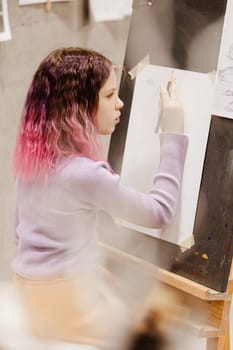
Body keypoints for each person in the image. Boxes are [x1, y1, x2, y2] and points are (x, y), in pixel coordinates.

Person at [11, 47, 188, 349]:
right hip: (64, 304)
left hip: (27, 292)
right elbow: (159, 212)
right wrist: (173, 134)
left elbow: (22, 233)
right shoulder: (84, 174)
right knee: (164, 328)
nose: (119, 104)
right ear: (78, 106)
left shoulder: (34, 159)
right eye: (109, 96)